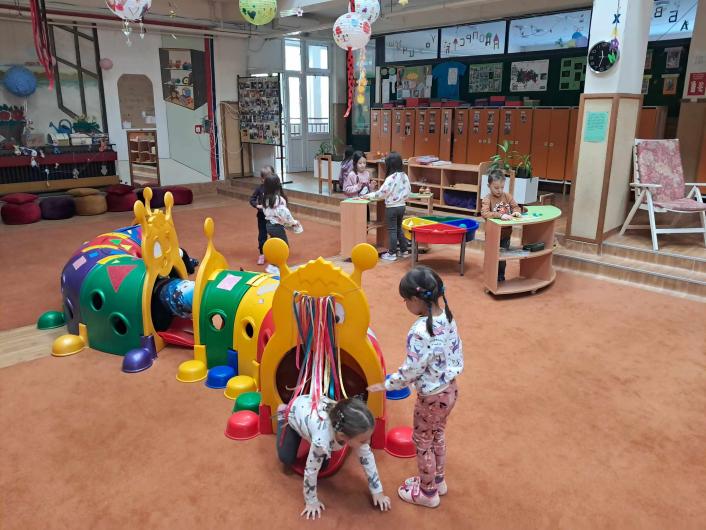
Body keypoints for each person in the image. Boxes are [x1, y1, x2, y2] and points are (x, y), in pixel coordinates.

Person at [368, 266, 463, 509]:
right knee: (437, 434)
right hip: (450, 391)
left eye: (405, 300)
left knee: (422, 442)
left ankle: (428, 493)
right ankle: (438, 481)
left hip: (431, 398)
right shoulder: (448, 316)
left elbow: (411, 370)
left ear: (415, 299)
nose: (406, 304)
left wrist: (385, 385)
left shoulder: (420, 331)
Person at [276, 395, 392, 520]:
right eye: (363, 440)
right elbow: (310, 470)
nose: (368, 442)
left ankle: (309, 432)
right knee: (286, 458)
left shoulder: (346, 421)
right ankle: (283, 412)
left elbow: (367, 457)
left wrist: (377, 491)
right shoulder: (322, 440)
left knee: (323, 466)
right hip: (294, 413)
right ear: (342, 436)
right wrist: (311, 502)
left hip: (313, 417)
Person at [362, 151, 411, 261]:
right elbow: (408, 190)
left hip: (392, 208)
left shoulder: (390, 178)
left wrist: (370, 195)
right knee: (399, 228)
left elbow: (382, 193)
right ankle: (404, 251)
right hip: (402, 206)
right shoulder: (404, 176)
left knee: (392, 230)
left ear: (389, 165)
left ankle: (392, 253)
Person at [480, 170, 521, 282]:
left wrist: (516, 212)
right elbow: (484, 213)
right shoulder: (487, 199)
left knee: (502, 258)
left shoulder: (507, 196)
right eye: (496, 188)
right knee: (491, 256)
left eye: (502, 187)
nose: (500, 190)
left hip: (506, 234)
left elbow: (516, 207)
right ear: (489, 186)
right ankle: (489, 277)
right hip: (492, 235)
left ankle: (500, 277)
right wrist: (500, 215)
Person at [262, 173, 302, 275]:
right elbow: (285, 213)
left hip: (269, 225)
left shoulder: (265, 198)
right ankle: (274, 266)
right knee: (284, 246)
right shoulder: (279, 200)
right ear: (277, 185)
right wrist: (293, 222)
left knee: (275, 245)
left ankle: (274, 265)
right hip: (276, 226)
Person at [250, 165, 275, 266]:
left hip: (273, 217)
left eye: (269, 178)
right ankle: (262, 254)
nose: (267, 180)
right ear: (262, 179)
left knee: (274, 235)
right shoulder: (259, 189)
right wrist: (257, 205)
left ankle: (274, 253)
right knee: (262, 236)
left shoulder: (275, 189)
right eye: (265, 178)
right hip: (262, 217)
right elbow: (252, 199)